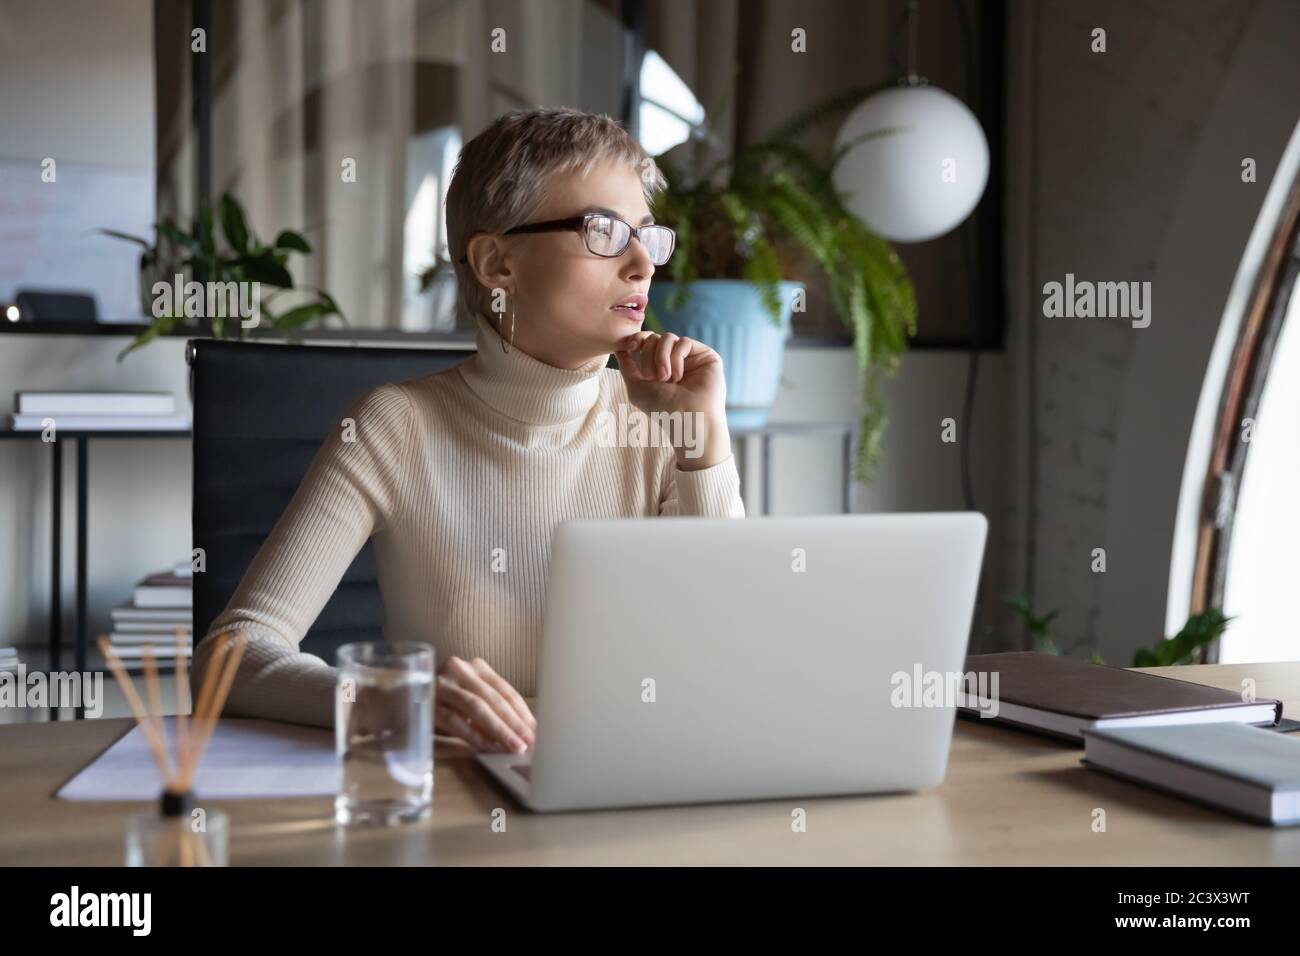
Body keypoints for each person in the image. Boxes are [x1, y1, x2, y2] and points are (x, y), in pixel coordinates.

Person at [192, 107, 745, 755]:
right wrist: (393, 700)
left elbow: (731, 658)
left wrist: (702, 448)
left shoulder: (660, 421)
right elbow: (230, 655)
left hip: (632, 781)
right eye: (603, 231)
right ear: (495, 263)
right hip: (456, 796)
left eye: (646, 237)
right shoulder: (393, 426)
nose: (641, 266)